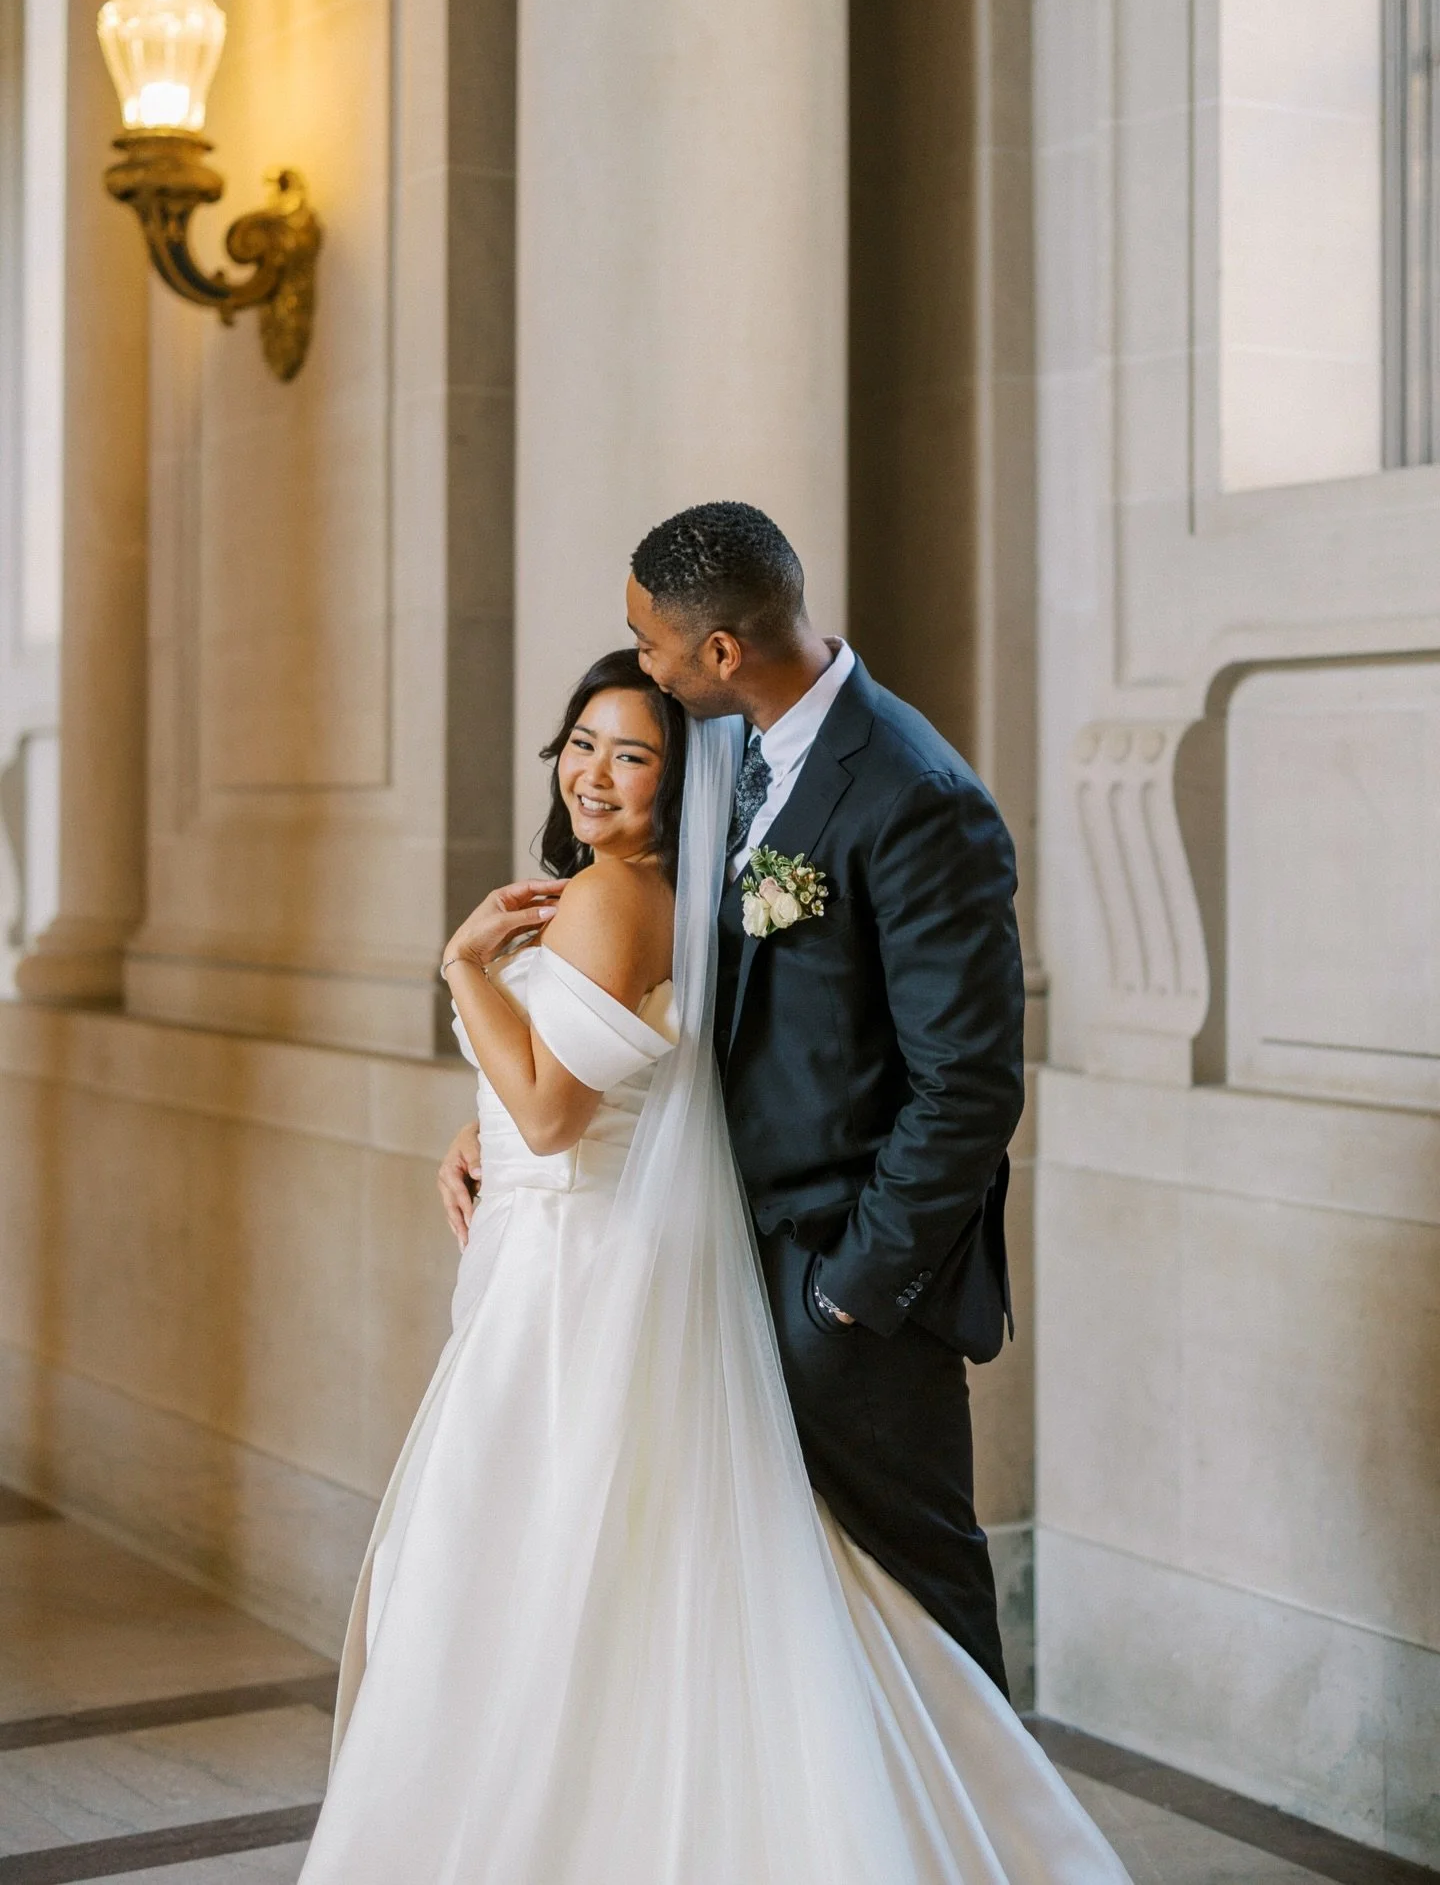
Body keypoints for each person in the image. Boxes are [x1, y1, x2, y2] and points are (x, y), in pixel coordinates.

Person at [297, 633, 1131, 1880]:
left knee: (540, 1586)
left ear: (677, 774)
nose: (594, 772)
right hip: (566, 1251)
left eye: (633, 753)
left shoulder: (612, 892)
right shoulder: (664, 891)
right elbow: (636, 1073)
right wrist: (482, 1127)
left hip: (584, 1278)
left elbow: (551, 1111)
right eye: (583, 742)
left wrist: (461, 965)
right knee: (618, 1585)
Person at [441, 501, 1025, 1695]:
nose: (638, 666)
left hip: (834, 1284)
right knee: (771, 1616)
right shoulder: (724, 749)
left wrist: (851, 1293)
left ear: (719, 650)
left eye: (649, 642)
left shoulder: (916, 792)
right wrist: (496, 1122)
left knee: (916, 1590)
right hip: (694, 1262)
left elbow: (966, 1086)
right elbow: (668, 999)